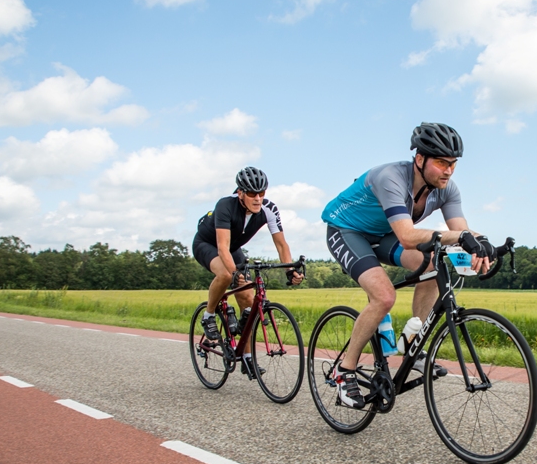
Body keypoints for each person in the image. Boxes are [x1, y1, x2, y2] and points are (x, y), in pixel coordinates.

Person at [321, 122, 496, 408]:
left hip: (383, 234)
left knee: (433, 266)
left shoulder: (447, 189)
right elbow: (407, 236)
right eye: (441, 163)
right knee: (384, 296)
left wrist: (484, 242)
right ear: (420, 159)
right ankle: (344, 370)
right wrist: (462, 238)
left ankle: (413, 344)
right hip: (347, 231)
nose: (449, 170)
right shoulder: (391, 177)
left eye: (453, 164)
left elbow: (460, 229)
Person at [192, 166, 304, 379]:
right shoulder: (225, 205)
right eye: (252, 193)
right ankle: (209, 315)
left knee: (248, 299)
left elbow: (281, 245)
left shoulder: (269, 209)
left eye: (261, 193)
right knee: (227, 275)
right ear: (240, 192)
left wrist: (290, 270)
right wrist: (235, 273)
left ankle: (246, 357)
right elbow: (222, 247)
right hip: (207, 244)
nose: (258, 198)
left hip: (233, 249)